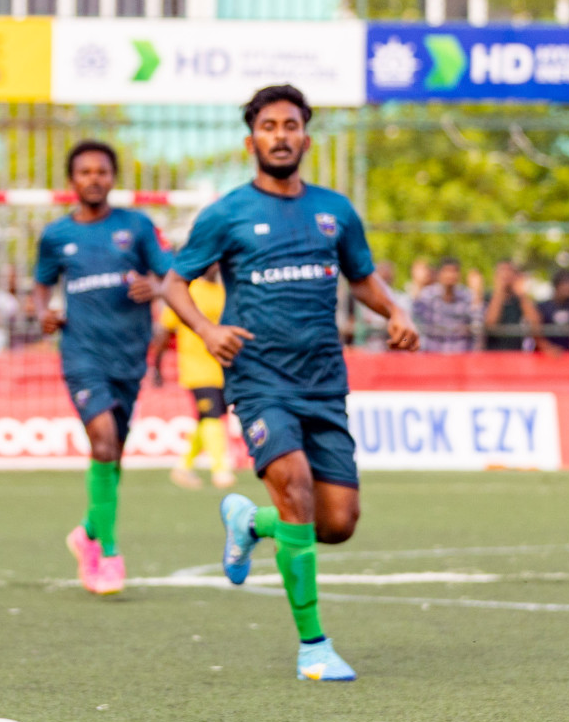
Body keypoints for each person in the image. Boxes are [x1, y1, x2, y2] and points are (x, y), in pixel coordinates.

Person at [160, 85, 419, 683]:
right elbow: (175, 283)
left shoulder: (335, 210)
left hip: (324, 381)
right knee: (295, 483)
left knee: (336, 523)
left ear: (306, 136)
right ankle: (314, 646)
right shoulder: (226, 213)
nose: (281, 134)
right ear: (252, 140)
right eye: (269, 126)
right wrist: (205, 328)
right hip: (257, 379)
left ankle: (250, 523)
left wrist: (397, 312)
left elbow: (362, 279)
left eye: (291, 124)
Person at [33, 139, 171, 596]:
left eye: (102, 172)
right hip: (81, 354)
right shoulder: (56, 235)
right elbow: (41, 287)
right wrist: (44, 313)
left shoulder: (137, 227)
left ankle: (88, 530)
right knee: (104, 441)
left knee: (113, 454)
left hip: (129, 356)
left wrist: (154, 285)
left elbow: (170, 276)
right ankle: (107, 553)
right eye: (85, 172)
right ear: (72, 181)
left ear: (113, 178)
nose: (94, 179)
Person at [151, 267, 234, 490]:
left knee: (207, 417)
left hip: (222, 368)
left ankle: (183, 465)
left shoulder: (222, 292)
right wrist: (156, 366)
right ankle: (220, 468)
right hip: (196, 368)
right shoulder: (186, 291)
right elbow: (164, 330)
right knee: (212, 415)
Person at [413, 257, 476, 354]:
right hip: (433, 356)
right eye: (447, 271)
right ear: (439, 274)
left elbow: (477, 326)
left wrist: (477, 292)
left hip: (460, 357)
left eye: (454, 271)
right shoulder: (428, 295)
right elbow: (416, 321)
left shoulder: (466, 296)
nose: (450, 276)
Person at [482, 260, 542, 352]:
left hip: (516, 355)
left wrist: (522, 294)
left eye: (510, 271)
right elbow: (490, 325)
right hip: (493, 355)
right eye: (502, 271)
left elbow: (536, 324)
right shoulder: (487, 297)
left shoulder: (521, 300)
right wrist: (499, 291)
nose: (506, 275)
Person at [538, 269, 569, 354]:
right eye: (566, 283)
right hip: (544, 355)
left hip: (568, 355)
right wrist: (547, 348)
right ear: (556, 285)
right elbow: (536, 332)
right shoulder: (542, 306)